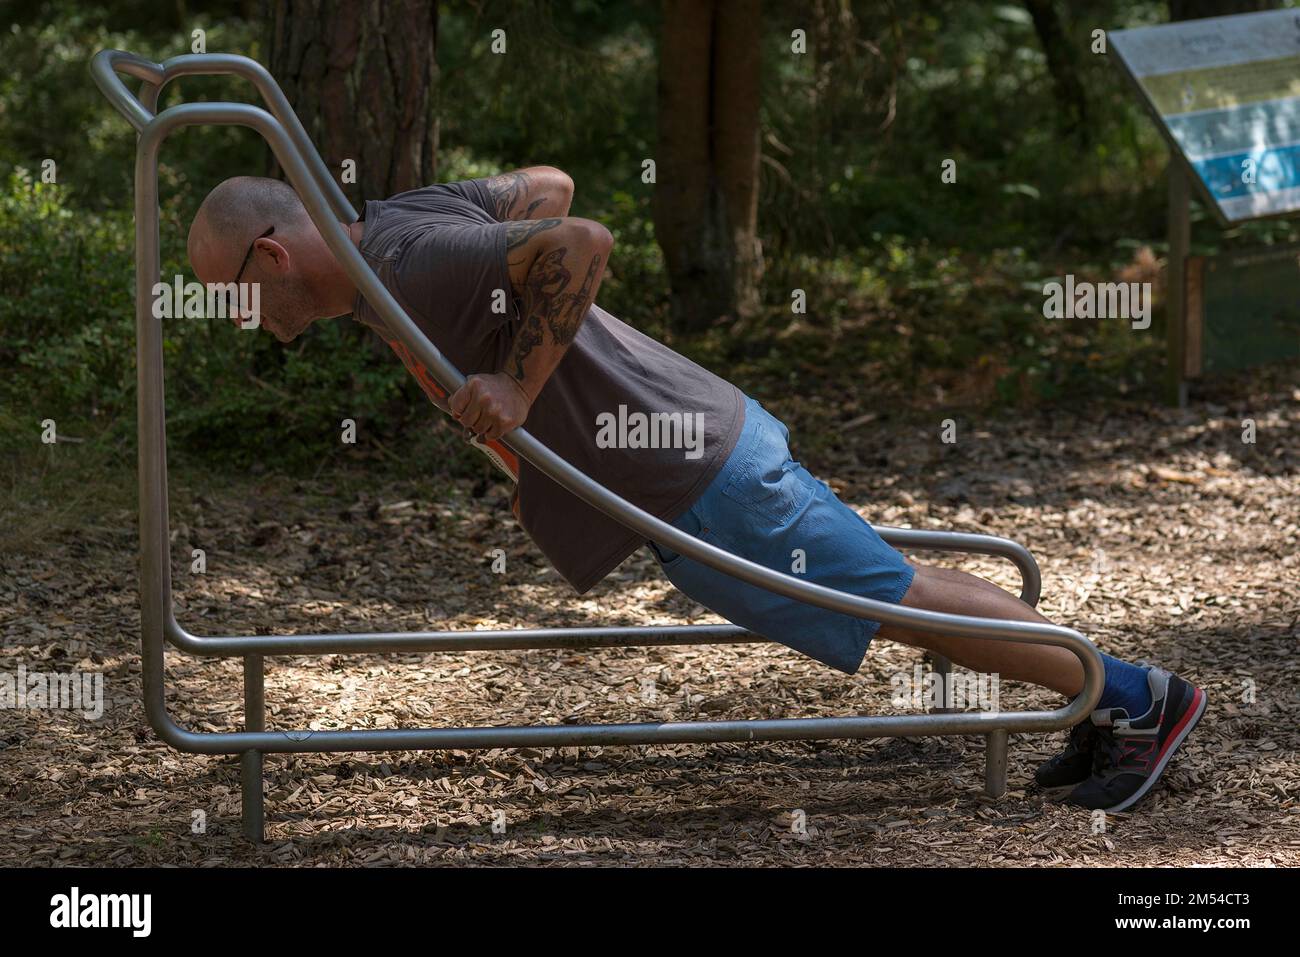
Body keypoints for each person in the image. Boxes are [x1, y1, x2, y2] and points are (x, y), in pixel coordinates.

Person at [186, 168, 1207, 812]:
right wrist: (536, 389)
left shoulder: (404, 262)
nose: (242, 317)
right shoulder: (396, 233)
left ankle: (1132, 698)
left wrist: (521, 381)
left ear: (271, 253)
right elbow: (545, 186)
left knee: (890, 597)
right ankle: (1098, 704)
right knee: (896, 594)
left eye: (235, 293)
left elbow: (577, 242)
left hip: (697, 466)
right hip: (680, 460)